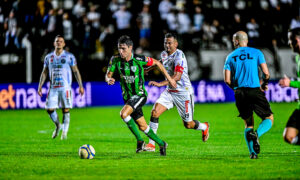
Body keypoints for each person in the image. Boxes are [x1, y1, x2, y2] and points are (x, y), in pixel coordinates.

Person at [105, 35, 176, 156]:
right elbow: (108, 74)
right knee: (143, 126)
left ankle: (140, 141)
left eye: (123, 49)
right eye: (119, 48)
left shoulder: (139, 59)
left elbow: (157, 63)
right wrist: (108, 79)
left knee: (123, 114)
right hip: (127, 97)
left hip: (140, 95)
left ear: (130, 48)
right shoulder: (115, 59)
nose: (121, 52)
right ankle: (161, 143)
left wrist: (170, 79)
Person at [144, 33, 210, 152]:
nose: (167, 45)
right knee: (154, 112)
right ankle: (151, 144)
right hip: (170, 91)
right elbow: (161, 61)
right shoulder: (164, 54)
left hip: (183, 93)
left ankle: (204, 126)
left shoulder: (180, 56)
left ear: (176, 44)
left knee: (188, 125)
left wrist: (159, 84)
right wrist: (149, 68)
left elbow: (177, 76)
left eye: (169, 43)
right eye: (165, 42)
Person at [223, 31, 274, 159]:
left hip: (240, 92)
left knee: (248, 124)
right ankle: (257, 134)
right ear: (246, 40)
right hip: (255, 90)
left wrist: (235, 89)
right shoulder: (257, 52)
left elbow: (227, 80)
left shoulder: (230, 57)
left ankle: (253, 154)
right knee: (269, 118)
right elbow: (266, 74)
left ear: (236, 41)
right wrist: (264, 83)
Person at [38, 35, 84, 140]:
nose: (59, 43)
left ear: (64, 44)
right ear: (54, 43)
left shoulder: (69, 56)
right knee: (49, 109)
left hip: (65, 88)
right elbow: (44, 72)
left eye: (61, 41)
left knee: (65, 110)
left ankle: (64, 133)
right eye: (57, 41)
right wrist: (40, 86)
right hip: (53, 88)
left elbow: (76, 71)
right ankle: (58, 125)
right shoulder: (48, 57)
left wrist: (81, 86)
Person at [279, 27, 300, 145]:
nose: (289, 43)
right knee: (289, 136)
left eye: (290, 40)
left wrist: (290, 83)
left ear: (297, 40)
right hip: (299, 106)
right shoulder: (298, 58)